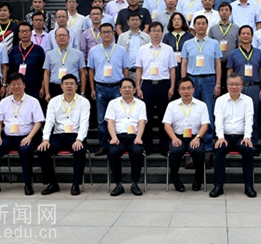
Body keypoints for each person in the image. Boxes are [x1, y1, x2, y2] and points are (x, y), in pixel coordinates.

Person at [0, 73, 45, 196]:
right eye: (13, 84)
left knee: (25, 150)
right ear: (9, 86)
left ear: (24, 85)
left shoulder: (33, 101)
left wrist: (29, 137)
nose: (16, 87)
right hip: (8, 137)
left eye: (19, 84)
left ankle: (28, 184)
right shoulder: (4, 102)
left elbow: (38, 122)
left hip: (27, 136)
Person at [37, 74, 90, 197]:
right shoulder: (54, 101)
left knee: (80, 151)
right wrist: (45, 139)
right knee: (42, 150)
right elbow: (49, 122)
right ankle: (52, 183)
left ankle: (76, 184)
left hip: (75, 135)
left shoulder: (84, 102)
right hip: (58, 135)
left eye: (72, 84)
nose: (69, 86)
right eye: (66, 84)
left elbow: (84, 123)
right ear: (61, 86)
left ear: (77, 86)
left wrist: (79, 139)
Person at [209, 74, 256, 198]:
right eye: (231, 84)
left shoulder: (248, 100)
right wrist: (220, 137)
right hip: (225, 136)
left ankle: (249, 186)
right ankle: (218, 186)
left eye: (237, 84)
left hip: (241, 136)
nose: (234, 87)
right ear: (227, 85)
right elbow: (218, 121)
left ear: (242, 85)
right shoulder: (220, 100)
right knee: (219, 150)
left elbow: (249, 120)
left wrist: (247, 137)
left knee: (248, 150)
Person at [181, 15, 223, 151]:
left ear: (207, 26)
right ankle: (191, 143)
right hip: (192, 79)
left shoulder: (214, 43)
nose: (200, 26)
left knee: (208, 112)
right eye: (198, 23)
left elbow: (218, 64)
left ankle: (208, 145)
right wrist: (183, 83)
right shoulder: (187, 44)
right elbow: (184, 64)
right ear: (194, 26)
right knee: (191, 111)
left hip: (208, 80)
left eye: (203, 23)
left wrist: (218, 83)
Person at [87, 23, 130, 156]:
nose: (106, 34)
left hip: (117, 87)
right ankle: (103, 145)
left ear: (113, 33)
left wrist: (125, 87)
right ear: (100, 34)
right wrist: (92, 89)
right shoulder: (94, 51)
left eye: (109, 32)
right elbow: (91, 71)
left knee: (118, 117)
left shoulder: (121, 50)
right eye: (104, 32)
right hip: (100, 87)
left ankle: (116, 142)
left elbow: (125, 69)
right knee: (101, 119)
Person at [135, 21, 177, 155]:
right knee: (146, 116)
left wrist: (172, 86)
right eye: (153, 31)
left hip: (163, 84)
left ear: (162, 32)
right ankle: (146, 145)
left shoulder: (168, 49)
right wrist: (138, 87)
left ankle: (164, 146)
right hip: (147, 84)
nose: (156, 33)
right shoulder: (142, 49)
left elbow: (172, 69)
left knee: (163, 116)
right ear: (149, 33)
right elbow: (139, 69)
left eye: (159, 31)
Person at [163, 77, 210, 192]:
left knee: (198, 152)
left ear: (193, 89)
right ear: (179, 90)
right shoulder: (172, 105)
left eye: (189, 88)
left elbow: (205, 124)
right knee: (175, 151)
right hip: (177, 136)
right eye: (183, 89)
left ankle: (198, 180)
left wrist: (198, 138)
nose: (186, 91)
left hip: (195, 136)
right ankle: (176, 180)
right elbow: (167, 124)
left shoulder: (202, 105)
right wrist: (174, 138)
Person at [227, 25, 261, 150]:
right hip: (238, 88)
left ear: (252, 36)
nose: (245, 36)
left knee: (253, 117)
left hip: (254, 87)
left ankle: (253, 144)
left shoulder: (258, 53)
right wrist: (229, 86)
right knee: (238, 115)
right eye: (243, 33)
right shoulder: (234, 53)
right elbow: (230, 71)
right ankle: (240, 143)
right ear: (239, 36)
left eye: (248, 33)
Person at [105, 78, 147, 196]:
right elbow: (110, 122)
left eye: (130, 87)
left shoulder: (140, 104)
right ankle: (118, 184)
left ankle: (135, 183)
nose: (127, 89)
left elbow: (142, 122)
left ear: (134, 90)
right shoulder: (113, 103)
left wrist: (139, 137)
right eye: (124, 87)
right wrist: (113, 137)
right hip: (118, 136)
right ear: (120, 90)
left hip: (134, 137)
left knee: (138, 151)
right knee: (113, 152)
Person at [43, 27, 87, 101]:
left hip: (72, 87)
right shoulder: (49, 54)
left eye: (64, 35)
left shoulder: (78, 54)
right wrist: (47, 93)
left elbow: (82, 73)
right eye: (59, 36)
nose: (61, 37)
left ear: (69, 37)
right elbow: (46, 74)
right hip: (55, 88)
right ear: (55, 38)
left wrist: (82, 92)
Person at [7, 22, 46, 100]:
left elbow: (43, 70)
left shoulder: (38, 50)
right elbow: (11, 70)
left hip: (34, 87)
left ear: (31, 33)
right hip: (17, 87)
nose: (24, 33)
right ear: (18, 34)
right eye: (22, 31)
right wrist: (9, 87)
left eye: (27, 31)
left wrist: (43, 87)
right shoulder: (14, 50)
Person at [209, 2, 239, 90]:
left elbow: (238, 45)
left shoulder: (236, 28)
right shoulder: (213, 28)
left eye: (226, 10)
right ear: (218, 13)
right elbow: (209, 45)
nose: (224, 12)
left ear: (231, 12)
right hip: (216, 62)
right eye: (222, 10)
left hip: (231, 63)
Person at [163, 12, 193, 94]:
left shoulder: (189, 36)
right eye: (174, 20)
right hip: (170, 66)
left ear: (183, 21)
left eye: (179, 19)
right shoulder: (167, 36)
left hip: (185, 65)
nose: (176, 21)